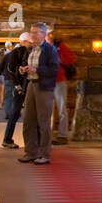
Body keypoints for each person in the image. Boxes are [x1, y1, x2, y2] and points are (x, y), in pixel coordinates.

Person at [19, 21, 60, 165]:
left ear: (43, 34)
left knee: (43, 121)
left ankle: (44, 154)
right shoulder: (31, 49)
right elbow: (31, 65)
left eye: (36, 32)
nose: (33, 35)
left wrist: (37, 70)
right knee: (28, 120)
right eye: (31, 32)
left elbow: (54, 69)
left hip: (44, 87)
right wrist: (24, 69)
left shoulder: (50, 50)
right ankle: (30, 152)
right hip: (31, 84)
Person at [1, 32, 32, 148]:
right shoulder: (17, 52)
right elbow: (10, 69)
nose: (30, 44)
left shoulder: (23, 52)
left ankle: (8, 139)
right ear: (24, 41)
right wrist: (17, 85)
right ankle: (7, 138)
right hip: (21, 86)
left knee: (16, 113)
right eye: (29, 42)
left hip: (23, 85)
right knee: (15, 113)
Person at [50, 32, 77, 145]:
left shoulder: (60, 46)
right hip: (47, 81)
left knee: (61, 108)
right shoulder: (41, 47)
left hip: (59, 80)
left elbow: (71, 58)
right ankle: (47, 134)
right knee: (47, 109)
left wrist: (60, 60)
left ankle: (63, 135)